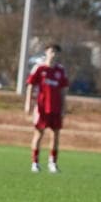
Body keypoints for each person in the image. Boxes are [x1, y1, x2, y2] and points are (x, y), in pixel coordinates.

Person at [24, 43, 69, 172]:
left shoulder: (60, 70)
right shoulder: (39, 68)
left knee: (55, 135)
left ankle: (52, 163)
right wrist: (28, 103)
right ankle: (35, 163)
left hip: (56, 108)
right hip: (42, 108)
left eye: (56, 52)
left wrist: (64, 107)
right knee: (38, 134)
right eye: (51, 51)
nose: (53, 54)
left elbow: (63, 91)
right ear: (46, 52)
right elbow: (30, 86)